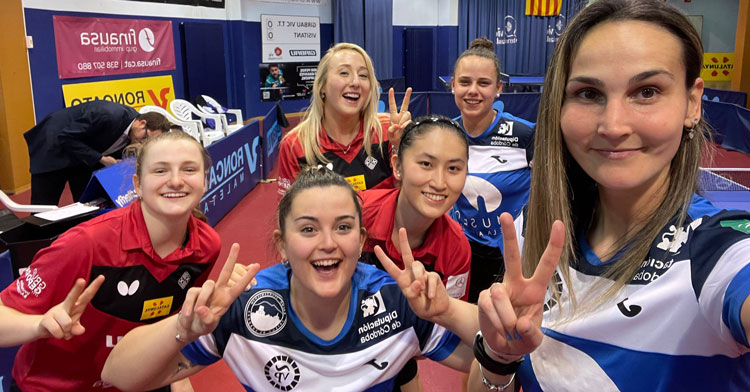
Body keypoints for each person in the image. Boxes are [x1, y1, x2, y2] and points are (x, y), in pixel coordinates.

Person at [469, 1, 750, 391]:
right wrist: (499, 356)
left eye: (647, 91)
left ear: (692, 102)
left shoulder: (718, 252)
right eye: (588, 93)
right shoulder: (533, 230)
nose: (613, 125)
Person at [102, 167, 482, 392]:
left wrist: (448, 312)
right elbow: (119, 374)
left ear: (362, 239)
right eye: (308, 229)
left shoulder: (396, 302)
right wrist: (182, 329)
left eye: (344, 227)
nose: (328, 244)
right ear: (282, 245)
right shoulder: (245, 306)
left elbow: (492, 360)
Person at [0, 130, 222, 392]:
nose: (175, 181)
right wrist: (38, 325)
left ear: (205, 180)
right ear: (137, 185)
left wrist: (177, 377)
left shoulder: (207, 246)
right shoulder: (86, 244)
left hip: (140, 381)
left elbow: (173, 325)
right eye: (160, 171)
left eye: (189, 169)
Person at [360, 115, 473, 390]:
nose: (439, 182)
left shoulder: (457, 249)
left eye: (454, 168)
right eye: (426, 164)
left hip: (396, 359)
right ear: (397, 166)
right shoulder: (356, 214)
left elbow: (444, 331)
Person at [449, 37, 536, 304]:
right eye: (464, 82)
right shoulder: (445, 134)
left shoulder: (524, 135)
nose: (473, 91)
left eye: (483, 83)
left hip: (511, 253)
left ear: (498, 88)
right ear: (453, 85)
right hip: (460, 248)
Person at [277, 42, 412, 195]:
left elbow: (409, 196)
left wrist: (404, 147)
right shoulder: (295, 144)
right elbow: (289, 213)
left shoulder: (389, 130)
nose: (355, 82)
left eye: (363, 75)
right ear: (322, 86)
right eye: (344, 73)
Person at [24, 100, 170, 205]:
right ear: (141, 123)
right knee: (44, 207)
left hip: (82, 154)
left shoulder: (133, 129)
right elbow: (65, 136)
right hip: (53, 145)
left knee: (86, 203)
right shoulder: (108, 115)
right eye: (145, 137)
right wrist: (102, 159)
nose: (142, 143)